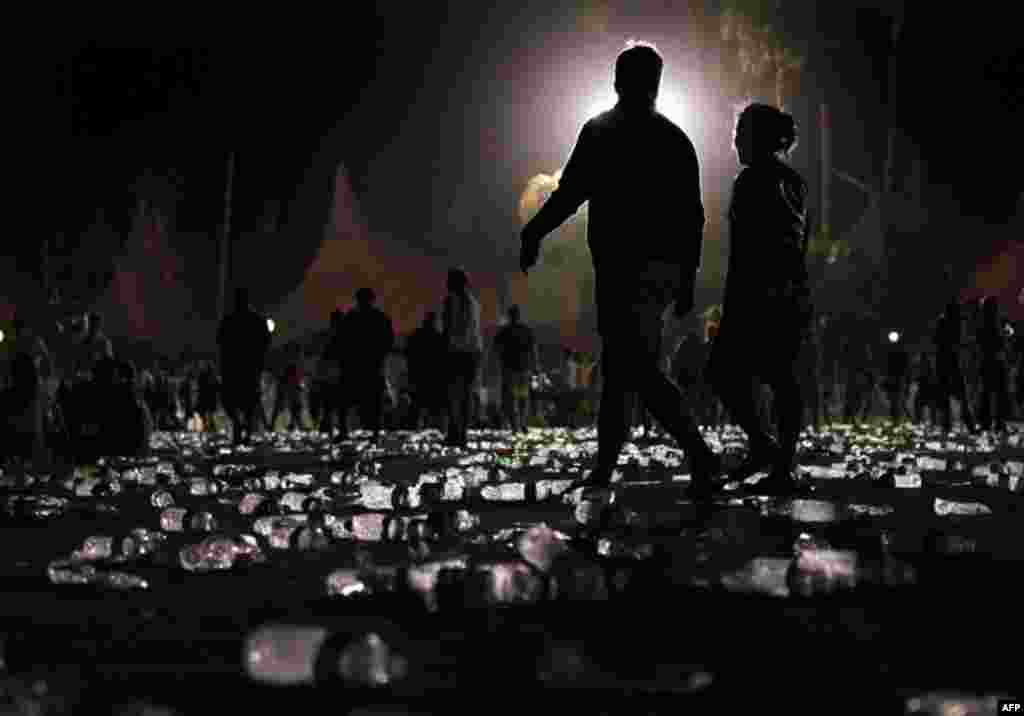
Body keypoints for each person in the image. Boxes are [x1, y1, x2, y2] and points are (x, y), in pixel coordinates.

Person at [520, 40, 722, 496]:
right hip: (658, 272)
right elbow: (693, 218)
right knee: (623, 367)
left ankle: (697, 454)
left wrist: (533, 232)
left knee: (633, 367)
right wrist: (686, 277)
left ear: (617, 81)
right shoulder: (673, 139)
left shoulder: (601, 132)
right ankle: (609, 467)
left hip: (622, 270)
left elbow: (569, 194)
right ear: (656, 83)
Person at [705, 102, 814, 496]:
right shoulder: (794, 182)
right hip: (790, 292)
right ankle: (778, 457)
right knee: (781, 379)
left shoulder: (752, 181)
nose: (734, 143)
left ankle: (767, 448)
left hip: (759, 294)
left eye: (740, 135)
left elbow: (747, 251)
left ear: (758, 139)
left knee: (723, 371)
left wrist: (735, 302)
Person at [337, 288, 394, 443]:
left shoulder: (351, 318)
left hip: (354, 365)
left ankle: (343, 431)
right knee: (374, 400)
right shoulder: (380, 318)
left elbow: (342, 341)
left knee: (346, 399)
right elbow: (388, 341)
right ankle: (375, 433)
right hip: (373, 364)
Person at [217, 287, 272, 446]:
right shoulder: (257, 320)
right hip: (250, 366)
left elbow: (221, 342)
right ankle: (245, 431)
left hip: (234, 367)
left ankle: (238, 427)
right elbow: (266, 342)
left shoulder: (229, 320)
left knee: (232, 401)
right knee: (249, 402)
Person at [442, 269, 483, 447]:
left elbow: (449, 327)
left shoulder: (451, 300)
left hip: (455, 352)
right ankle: (461, 432)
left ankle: (454, 431)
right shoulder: (473, 301)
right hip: (472, 352)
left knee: (453, 393)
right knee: (466, 393)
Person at [493, 305, 539, 432]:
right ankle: (523, 423)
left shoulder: (504, 331)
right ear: (518, 316)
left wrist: (499, 364)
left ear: (509, 316)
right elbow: (533, 350)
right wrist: (535, 367)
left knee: (510, 399)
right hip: (524, 369)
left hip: (509, 369)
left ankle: (515, 425)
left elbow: (496, 350)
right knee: (523, 398)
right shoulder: (526, 330)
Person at [934, 301, 976, 433]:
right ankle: (967, 425)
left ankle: (948, 425)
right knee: (959, 397)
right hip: (950, 363)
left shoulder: (945, 322)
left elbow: (938, 342)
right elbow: (953, 343)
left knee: (948, 397)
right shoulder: (951, 323)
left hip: (944, 363)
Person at [405, 311, 447, 430]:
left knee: (417, 407)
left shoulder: (416, 336)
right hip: (434, 380)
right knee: (436, 410)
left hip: (418, 378)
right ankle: (438, 430)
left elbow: (409, 355)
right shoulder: (439, 338)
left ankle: (415, 428)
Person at [975, 296, 1011, 432]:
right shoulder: (994, 323)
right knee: (999, 393)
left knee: (987, 394)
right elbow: (1000, 343)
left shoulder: (982, 323)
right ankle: (998, 424)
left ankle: (987, 423)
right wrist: (1006, 335)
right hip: (995, 361)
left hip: (986, 362)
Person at [883, 332, 911, 424]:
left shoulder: (901, 352)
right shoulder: (890, 352)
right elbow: (887, 366)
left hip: (898, 378)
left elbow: (905, 366)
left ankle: (899, 419)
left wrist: (906, 381)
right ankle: (897, 419)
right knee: (895, 401)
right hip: (894, 378)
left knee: (897, 401)